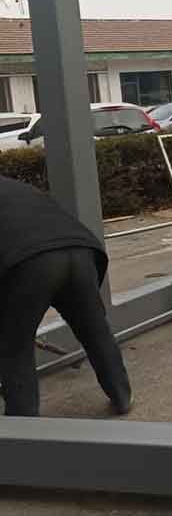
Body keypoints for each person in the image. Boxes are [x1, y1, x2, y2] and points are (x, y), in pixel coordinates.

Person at [0, 175, 132, 417]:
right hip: (80, 251)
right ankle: (122, 396)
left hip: (30, 262)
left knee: (14, 349)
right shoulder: (15, 186)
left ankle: (23, 423)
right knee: (95, 330)